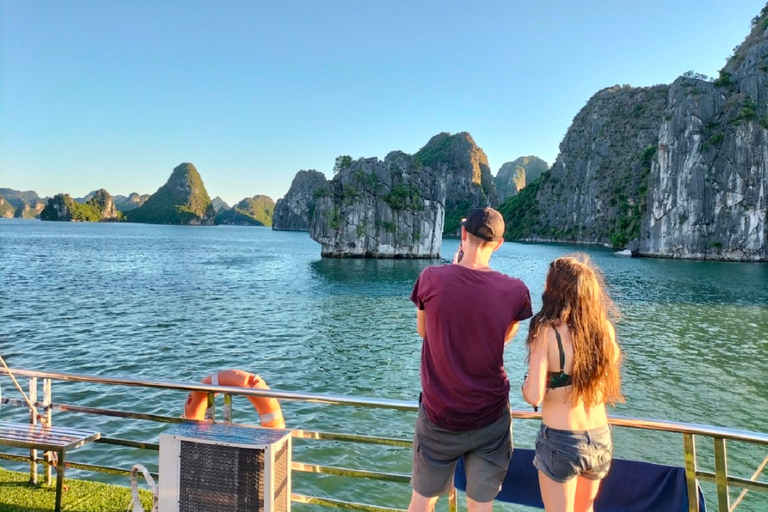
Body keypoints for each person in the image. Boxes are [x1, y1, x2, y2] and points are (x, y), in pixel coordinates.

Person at [408, 207, 533, 512]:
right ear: (499, 244)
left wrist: (452, 275)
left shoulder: (431, 278)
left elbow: (424, 332)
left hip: (440, 416)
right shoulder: (516, 290)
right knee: (480, 505)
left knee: (422, 502)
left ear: (463, 235)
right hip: (490, 419)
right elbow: (502, 337)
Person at [521, 254, 623, 512]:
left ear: (555, 290)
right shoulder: (604, 331)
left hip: (561, 440)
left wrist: (527, 384)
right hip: (599, 435)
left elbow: (534, 396)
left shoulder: (546, 331)